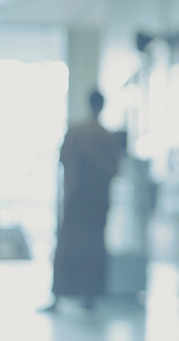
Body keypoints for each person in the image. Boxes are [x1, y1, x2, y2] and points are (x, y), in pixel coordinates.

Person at [43, 91, 123, 311]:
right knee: (92, 247)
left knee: (70, 247)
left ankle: (61, 297)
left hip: (79, 199)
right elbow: (114, 168)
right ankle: (89, 297)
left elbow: (64, 161)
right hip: (95, 201)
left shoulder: (79, 132)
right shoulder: (107, 136)